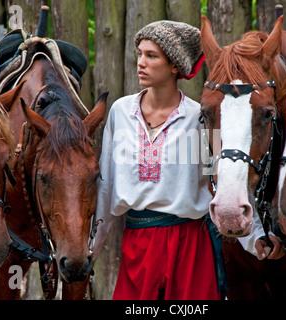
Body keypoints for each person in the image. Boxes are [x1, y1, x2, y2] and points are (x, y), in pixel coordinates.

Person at [94, 20, 221, 300]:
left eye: (151, 56)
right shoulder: (120, 112)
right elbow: (105, 184)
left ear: (175, 65)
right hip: (137, 243)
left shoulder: (202, 118)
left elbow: (220, 183)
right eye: (140, 53)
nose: (141, 62)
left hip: (189, 244)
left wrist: (255, 237)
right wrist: (91, 246)